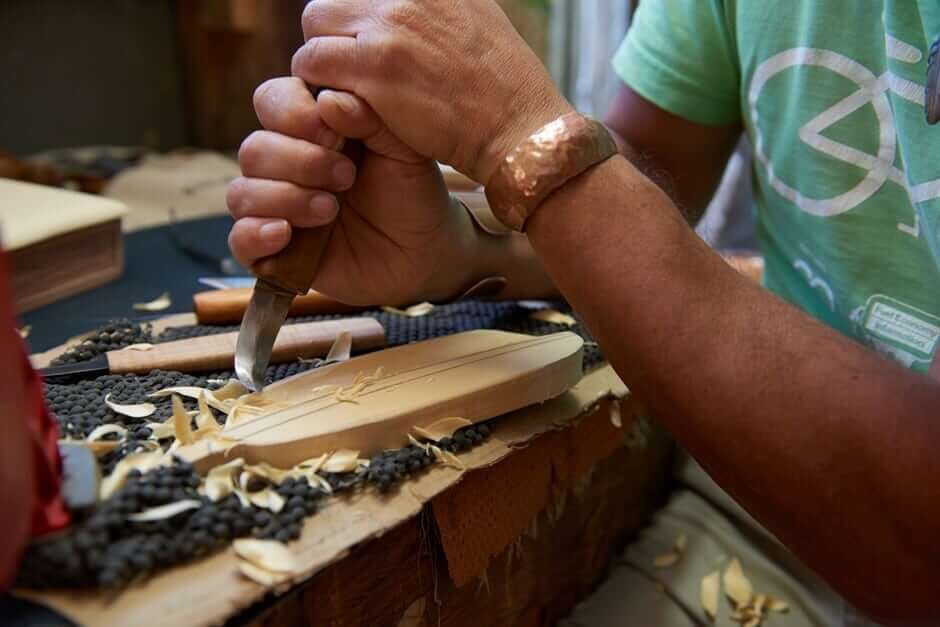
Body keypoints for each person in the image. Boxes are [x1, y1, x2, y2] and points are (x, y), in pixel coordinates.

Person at [226, 1, 940, 624]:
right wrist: (460, 248)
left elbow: (919, 541)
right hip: (753, 505)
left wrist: (516, 136)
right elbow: (652, 169)